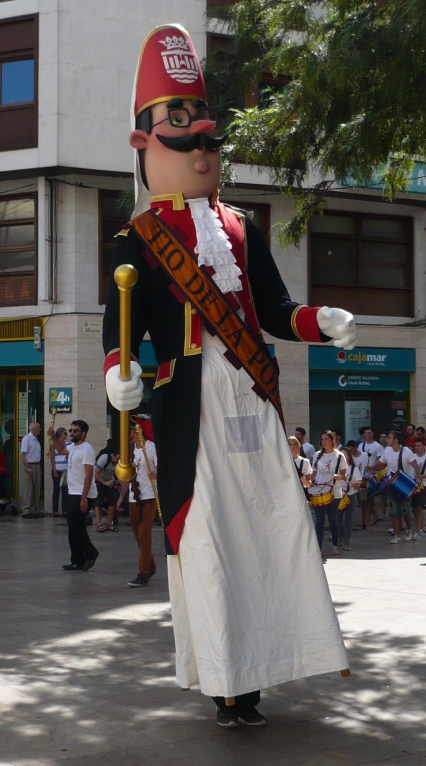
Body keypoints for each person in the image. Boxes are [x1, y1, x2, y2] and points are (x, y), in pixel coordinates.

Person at [103, 24, 356, 728]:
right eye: (183, 134)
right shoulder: (137, 240)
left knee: (273, 533)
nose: (203, 148)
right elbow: (118, 337)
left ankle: (269, 665)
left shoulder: (242, 226)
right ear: (144, 147)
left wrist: (318, 319)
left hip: (252, 395)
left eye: (210, 140)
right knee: (211, 545)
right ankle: (227, 682)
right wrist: (120, 377)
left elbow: (276, 310)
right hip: (192, 412)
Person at [47, 420, 99, 570]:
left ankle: (91, 552)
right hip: (73, 491)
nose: (72, 433)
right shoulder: (73, 447)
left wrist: (84, 499)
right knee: (73, 527)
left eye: (76, 431)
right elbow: (62, 450)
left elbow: (89, 475)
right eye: (71, 430)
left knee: (77, 527)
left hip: (84, 493)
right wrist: (53, 437)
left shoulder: (87, 450)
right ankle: (77, 560)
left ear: (84, 433)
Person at [117, 419, 158, 587]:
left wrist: (156, 474)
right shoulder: (129, 451)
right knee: (137, 535)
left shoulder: (151, 448)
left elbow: (162, 468)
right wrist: (121, 497)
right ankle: (151, 565)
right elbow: (127, 477)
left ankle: (143, 574)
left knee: (144, 534)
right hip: (134, 497)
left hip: (149, 496)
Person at [374, 430, 422, 544]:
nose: (387, 440)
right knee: (394, 511)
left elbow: (415, 466)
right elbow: (381, 463)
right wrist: (372, 467)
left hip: (404, 485)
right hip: (392, 485)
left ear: (395, 440)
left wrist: (418, 478)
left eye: (389, 438)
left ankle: (409, 529)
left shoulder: (407, 451)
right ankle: (397, 535)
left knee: (405, 512)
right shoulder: (387, 451)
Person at [311, 431, 348, 556]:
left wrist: (339, 477)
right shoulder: (317, 455)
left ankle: (335, 545)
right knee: (320, 520)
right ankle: (318, 548)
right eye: (322, 439)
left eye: (326, 439)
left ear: (332, 440)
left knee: (333, 519)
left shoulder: (339, 456)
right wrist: (309, 484)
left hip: (334, 491)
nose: (324, 441)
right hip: (319, 490)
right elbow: (314, 473)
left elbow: (345, 475)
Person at [337, 447, 362, 551]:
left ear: (348, 456)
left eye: (344, 455)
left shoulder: (354, 469)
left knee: (348, 520)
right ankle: (341, 536)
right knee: (337, 520)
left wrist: (354, 484)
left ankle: (347, 542)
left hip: (350, 496)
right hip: (338, 497)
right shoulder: (336, 469)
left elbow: (359, 484)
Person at [359, 427, 383, 528]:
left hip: (372, 474)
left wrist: (374, 469)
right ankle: (370, 516)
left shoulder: (377, 446)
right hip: (362, 474)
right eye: (366, 433)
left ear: (372, 433)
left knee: (370, 498)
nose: (367, 435)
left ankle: (368, 519)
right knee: (363, 498)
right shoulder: (361, 445)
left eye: (369, 433)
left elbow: (380, 460)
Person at [20, 422, 43, 519]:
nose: (40, 430)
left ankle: (34, 509)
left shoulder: (36, 440)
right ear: (33, 428)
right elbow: (22, 454)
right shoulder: (27, 439)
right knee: (29, 489)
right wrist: (27, 467)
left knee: (36, 489)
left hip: (37, 465)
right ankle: (26, 510)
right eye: (39, 428)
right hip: (30, 465)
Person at [94, 450, 120, 532]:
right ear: (113, 455)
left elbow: (120, 475)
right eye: (116, 459)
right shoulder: (104, 458)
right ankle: (99, 524)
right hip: (100, 480)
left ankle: (109, 524)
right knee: (98, 502)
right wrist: (104, 483)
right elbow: (95, 473)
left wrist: (118, 484)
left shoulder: (120, 462)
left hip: (110, 480)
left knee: (112, 502)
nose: (117, 462)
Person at [50, 427, 69, 517]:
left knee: (65, 491)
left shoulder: (68, 445)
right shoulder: (53, 445)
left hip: (65, 469)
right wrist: (54, 470)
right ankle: (55, 510)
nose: (66, 435)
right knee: (56, 490)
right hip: (57, 469)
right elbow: (52, 459)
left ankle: (65, 509)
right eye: (64, 433)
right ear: (60, 435)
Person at [410, 438, 426, 539]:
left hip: (423, 485)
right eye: (415, 446)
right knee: (414, 508)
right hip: (413, 485)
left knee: (419, 507)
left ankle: (419, 530)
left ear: (423, 446)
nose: (417, 448)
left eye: (418, 446)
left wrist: (421, 476)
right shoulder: (413, 457)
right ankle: (421, 525)